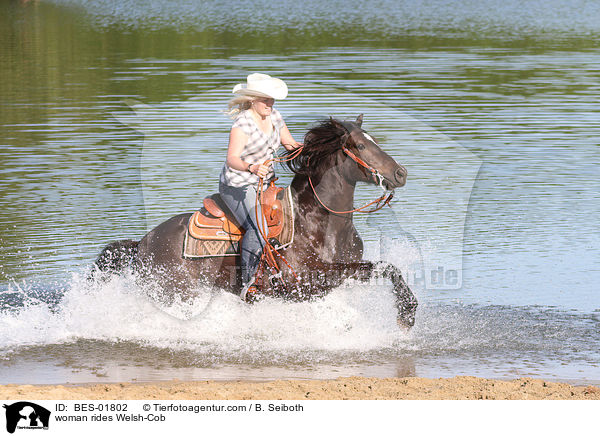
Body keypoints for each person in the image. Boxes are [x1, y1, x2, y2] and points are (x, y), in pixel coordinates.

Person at [218, 73, 301, 296]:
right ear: (253, 100)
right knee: (259, 229)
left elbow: (289, 143)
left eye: (271, 99)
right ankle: (249, 284)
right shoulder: (243, 123)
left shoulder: (275, 116)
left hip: (266, 185)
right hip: (239, 186)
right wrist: (252, 167)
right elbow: (232, 158)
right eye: (265, 99)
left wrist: (312, 148)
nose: (270, 103)